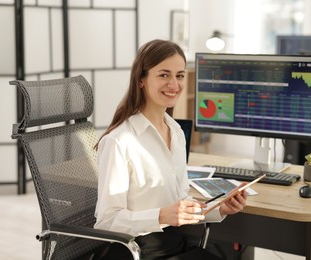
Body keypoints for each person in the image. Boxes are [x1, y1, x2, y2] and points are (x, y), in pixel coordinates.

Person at [93, 39, 247, 259]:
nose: (174, 85)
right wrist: (161, 215)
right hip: (137, 252)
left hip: (173, 245)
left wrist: (220, 209)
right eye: (164, 75)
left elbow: (181, 199)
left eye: (180, 75)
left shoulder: (175, 131)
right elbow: (106, 222)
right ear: (141, 80)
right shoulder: (119, 141)